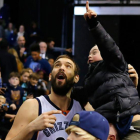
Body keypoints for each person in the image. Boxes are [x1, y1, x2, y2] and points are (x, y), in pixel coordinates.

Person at [82, 1, 140, 139]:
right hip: (109, 128)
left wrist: (94, 25)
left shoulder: (115, 63)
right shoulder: (89, 80)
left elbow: (107, 44)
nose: (90, 55)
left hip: (130, 121)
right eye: (89, 53)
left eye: (95, 51)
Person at [6, 55, 82, 140]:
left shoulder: (82, 108)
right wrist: (31, 127)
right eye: (57, 65)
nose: (61, 68)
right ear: (50, 76)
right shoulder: (32, 105)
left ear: (76, 78)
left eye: (68, 66)